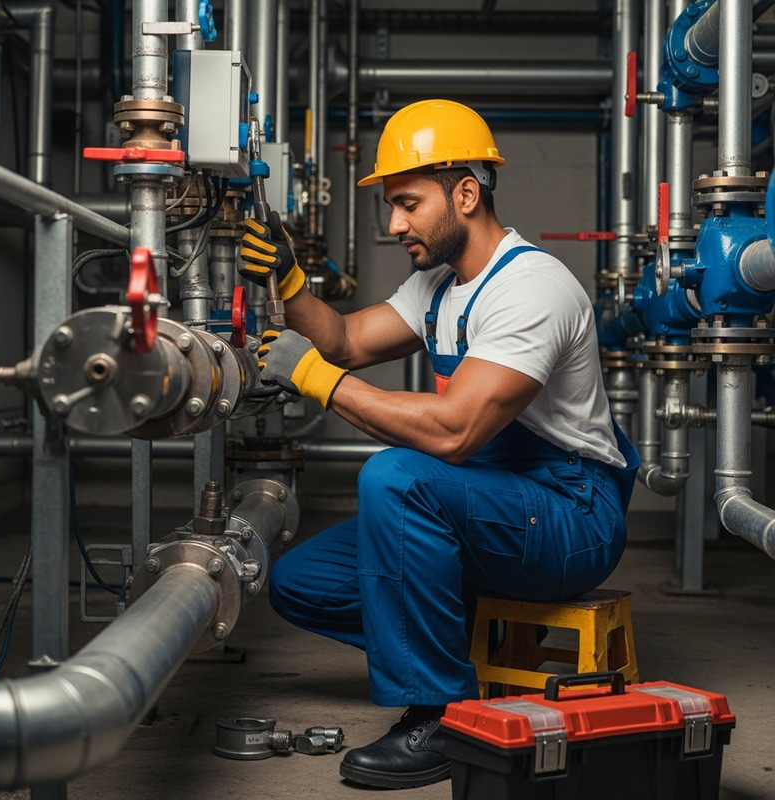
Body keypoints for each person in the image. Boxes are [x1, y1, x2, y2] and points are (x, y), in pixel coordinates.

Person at [238, 99, 639, 790]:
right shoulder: (437, 285)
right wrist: (291, 280)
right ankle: (454, 653)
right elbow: (346, 340)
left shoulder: (530, 287)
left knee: (397, 477)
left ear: (465, 192)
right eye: (392, 206)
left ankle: (441, 714)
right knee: (300, 584)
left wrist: (312, 378)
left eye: (408, 203)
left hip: (569, 512)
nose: (395, 224)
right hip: (494, 501)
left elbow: (454, 431)